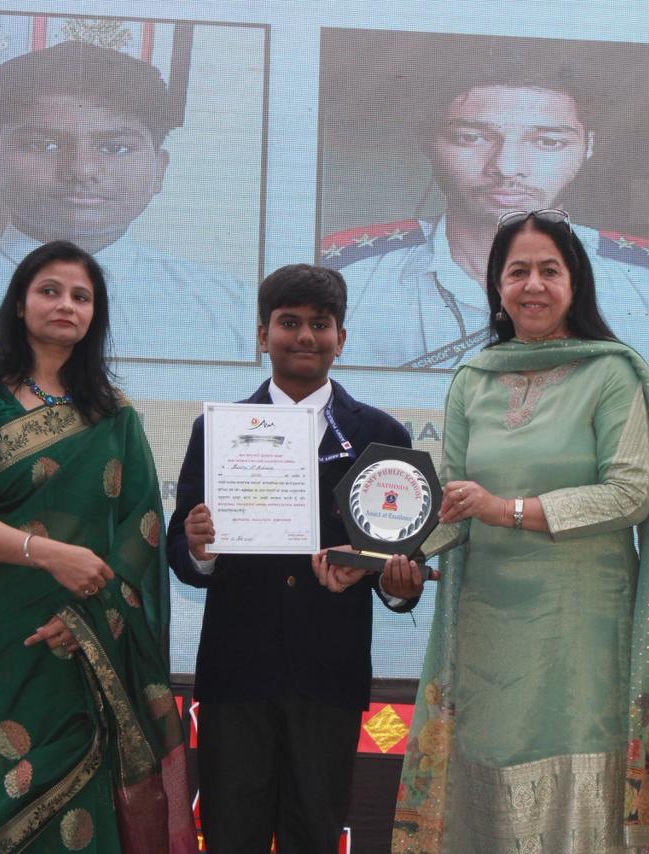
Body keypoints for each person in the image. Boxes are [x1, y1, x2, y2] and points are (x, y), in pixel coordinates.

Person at [372, 210, 649, 852]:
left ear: (575, 283)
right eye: (517, 271)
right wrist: (377, 556)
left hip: (582, 628)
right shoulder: (474, 379)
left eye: (550, 270)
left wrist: (508, 510)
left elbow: (629, 495)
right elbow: (453, 506)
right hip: (489, 627)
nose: (533, 285)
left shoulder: (612, 372)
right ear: (497, 286)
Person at [0, 240, 194, 852]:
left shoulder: (114, 416)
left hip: (79, 641)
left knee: (83, 815)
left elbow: (141, 530)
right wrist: (47, 554)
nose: (66, 304)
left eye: (81, 296)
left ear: (95, 315)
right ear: (20, 304)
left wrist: (87, 618)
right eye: (49, 290)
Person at [166, 264, 424, 854]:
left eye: (320, 323)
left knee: (314, 834)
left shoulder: (381, 435)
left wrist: (398, 583)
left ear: (341, 338)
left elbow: (396, 558)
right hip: (237, 672)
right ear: (263, 335)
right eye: (289, 323)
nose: (305, 336)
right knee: (231, 836)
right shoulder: (217, 430)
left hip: (328, 674)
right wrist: (200, 550)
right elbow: (181, 552)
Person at [0, 39, 251, 362]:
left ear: (159, 170)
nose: (81, 170)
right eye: (43, 144)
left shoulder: (235, 311)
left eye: (115, 147)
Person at [321, 70, 649, 376]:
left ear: (588, 147)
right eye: (471, 138)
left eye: (547, 142)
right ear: (429, 142)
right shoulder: (347, 274)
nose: (506, 167)